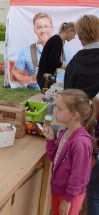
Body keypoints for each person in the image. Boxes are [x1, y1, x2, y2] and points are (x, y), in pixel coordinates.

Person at [62, 14, 99, 215]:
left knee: (85, 184)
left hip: (83, 130)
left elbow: (67, 100)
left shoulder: (77, 62)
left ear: (81, 35)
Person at [43, 89, 96, 215]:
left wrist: (68, 200)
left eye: (60, 109)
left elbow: (79, 177)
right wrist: (50, 140)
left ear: (74, 115)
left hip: (69, 197)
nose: (55, 111)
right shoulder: (64, 132)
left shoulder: (80, 143)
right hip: (59, 191)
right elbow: (55, 158)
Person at [37, 22, 76, 90]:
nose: (74, 37)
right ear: (69, 31)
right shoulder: (57, 40)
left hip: (47, 76)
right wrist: (68, 67)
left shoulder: (57, 40)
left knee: (50, 98)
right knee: (48, 98)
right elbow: (53, 61)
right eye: (74, 34)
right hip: (45, 77)